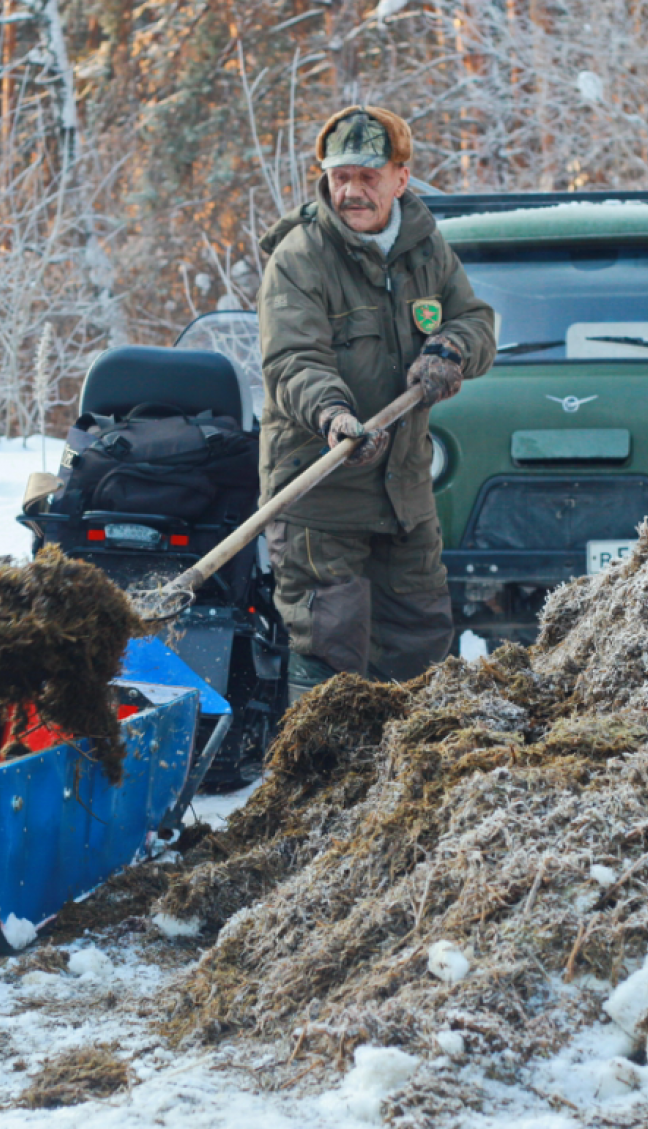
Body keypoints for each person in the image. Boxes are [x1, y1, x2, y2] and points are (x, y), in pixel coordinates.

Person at [255, 105, 496, 705]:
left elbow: (476, 320)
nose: (352, 191)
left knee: (421, 651)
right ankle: (321, 793)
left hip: (404, 496)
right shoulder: (299, 258)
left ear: (400, 178)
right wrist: (336, 417)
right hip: (320, 496)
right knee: (332, 659)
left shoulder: (425, 249)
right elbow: (293, 361)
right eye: (340, 177)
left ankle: (409, 789)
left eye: (367, 176)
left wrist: (450, 348)